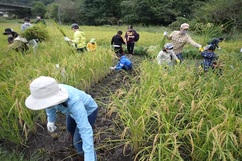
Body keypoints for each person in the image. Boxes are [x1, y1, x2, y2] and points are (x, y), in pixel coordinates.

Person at [25, 76, 98, 161]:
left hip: (89, 111)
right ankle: (76, 144)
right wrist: (51, 120)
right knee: (70, 128)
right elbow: (48, 106)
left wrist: (90, 158)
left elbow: (85, 131)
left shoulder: (73, 101)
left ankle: (82, 155)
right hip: (71, 112)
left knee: (78, 142)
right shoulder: (50, 92)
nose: (47, 105)